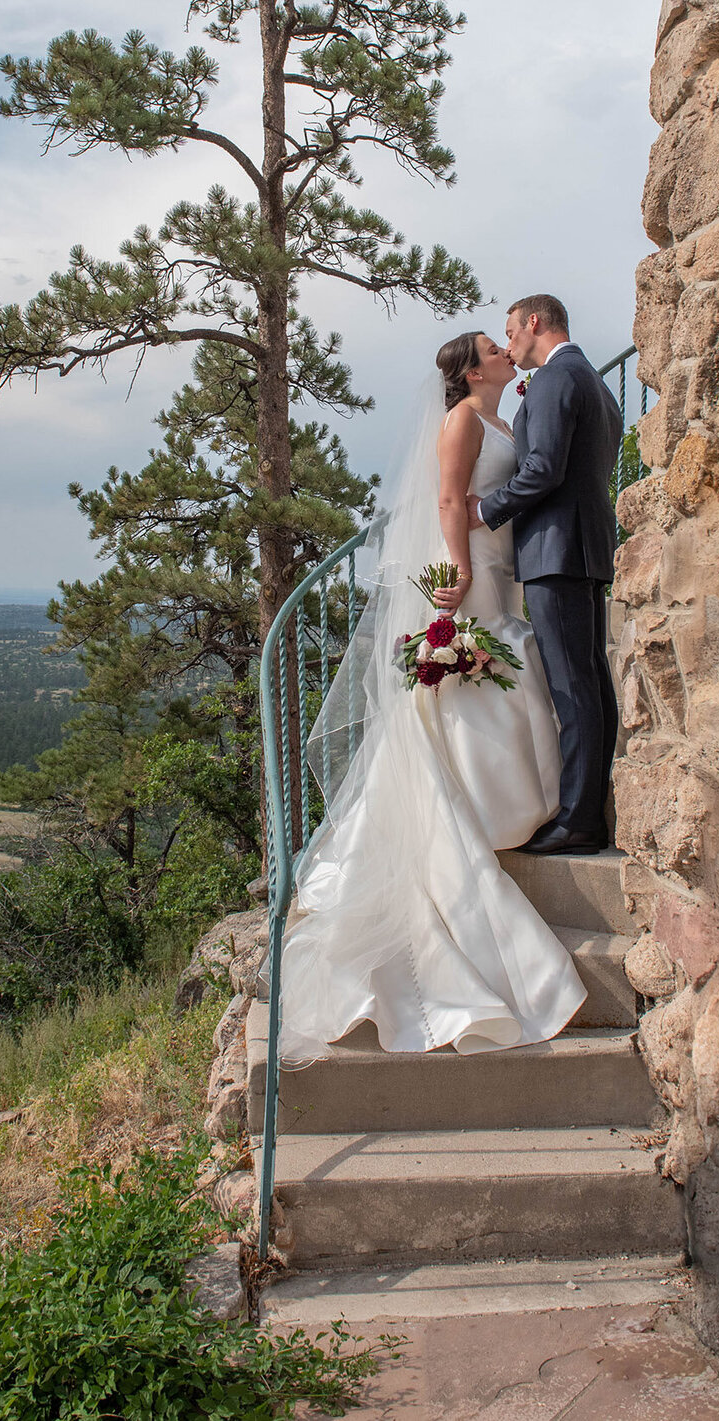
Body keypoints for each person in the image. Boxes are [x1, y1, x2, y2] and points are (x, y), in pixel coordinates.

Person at [277, 328, 588, 1065]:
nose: (506, 350)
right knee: (476, 681)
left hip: (503, 564)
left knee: (501, 680)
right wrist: (455, 568)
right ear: (470, 368)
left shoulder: (503, 420)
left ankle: (501, 802)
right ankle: (470, 811)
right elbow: (450, 496)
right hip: (471, 568)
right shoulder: (460, 420)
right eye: (493, 346)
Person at [465, 294, 623, 855]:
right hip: (585, 546)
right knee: (591, 681)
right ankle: (591, 810)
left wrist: (484, 510)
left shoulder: (558, 379)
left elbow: (543, 470)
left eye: (510, 331)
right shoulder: (597, 384)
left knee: (572, 684)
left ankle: (579, 819)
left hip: (556, 550)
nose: (508, 344)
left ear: (535, 323)